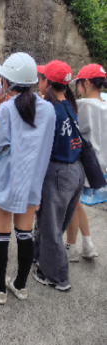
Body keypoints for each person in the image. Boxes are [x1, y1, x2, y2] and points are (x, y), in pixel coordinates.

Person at [0, 53, 56, 304]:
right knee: (25, 233)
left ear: (6, 82)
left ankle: (0, 289)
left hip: (5, 179)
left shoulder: (5, 108)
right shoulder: (48, 109)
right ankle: (20, 286)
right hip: (31, 181)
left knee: (1, 235)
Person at [33, 60, 85, 292]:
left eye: (41, 78)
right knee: (52, 224)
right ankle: (40, 258)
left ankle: (57, 277)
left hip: (58, 172)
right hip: (75, 170)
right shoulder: (69, 105)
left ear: (47, 83)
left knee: (51, 227)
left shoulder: (49, 110)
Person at [65, 63, 107, 261]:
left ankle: (71, 247)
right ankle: (87, 244)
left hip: (83, 161)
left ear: (87, 83)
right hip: (100, 166)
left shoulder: (83, 105)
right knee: (76, 202)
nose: (78, 88)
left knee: (71, 204)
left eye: (79, 84)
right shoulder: (105, 104)